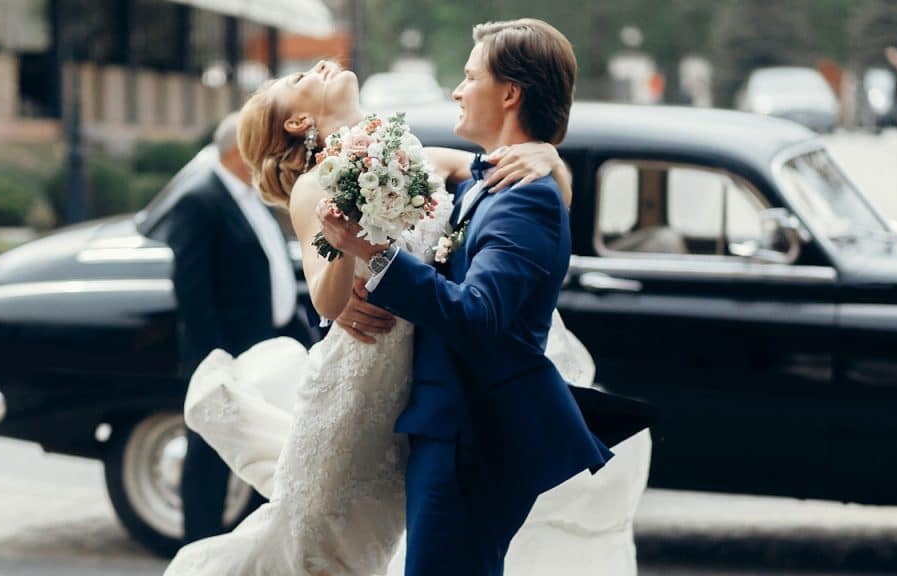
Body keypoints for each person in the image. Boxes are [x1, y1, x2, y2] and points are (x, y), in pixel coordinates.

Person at [162, 52, 645, 575]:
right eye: (302, 77)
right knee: (320, 546)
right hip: (361, 386)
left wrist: (545, 156)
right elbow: (326, 299)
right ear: (299, 122)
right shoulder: (313, 187)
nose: (322, 64)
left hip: (427, 384)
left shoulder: (414, 153)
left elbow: (496, 177)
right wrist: (346, 244)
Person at [321, 19, 639, 575]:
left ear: (510, 93)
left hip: (474, 436)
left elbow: (478, 316)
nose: (457, 90)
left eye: (470, 77)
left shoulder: (525, 199)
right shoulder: (487, 183)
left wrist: (376, 253)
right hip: (452, 428)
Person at [148, 113, 311, 546]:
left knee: (264, 451)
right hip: (228, 356)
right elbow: (193, 290)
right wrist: (216, 363)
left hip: (266, 349)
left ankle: (254, 549)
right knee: (209, 458)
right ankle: (199, 550)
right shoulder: (199, 201)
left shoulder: (252, 195)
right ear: (241, 150)